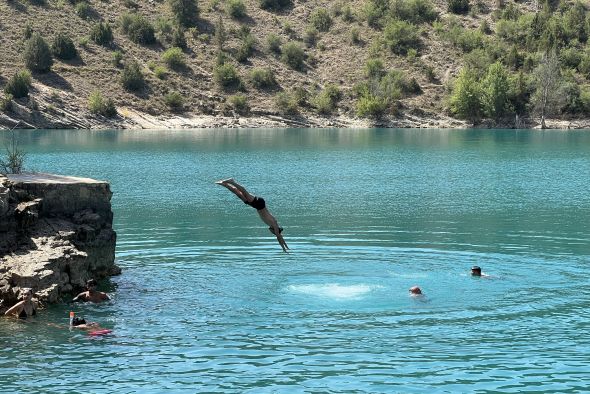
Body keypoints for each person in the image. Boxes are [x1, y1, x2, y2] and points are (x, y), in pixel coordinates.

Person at [216, 178, 289, 252]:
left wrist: (286, 247)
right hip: (259, 204)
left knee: (239, 194)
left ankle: (225, 185)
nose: (272, 233)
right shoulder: (274, 224)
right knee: (244, 192)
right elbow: (279, 237)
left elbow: (280, 237)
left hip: (256, 206)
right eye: (274, 233)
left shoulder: (271, 225)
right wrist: (283, 248)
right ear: (275, 230)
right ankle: (232, 181)